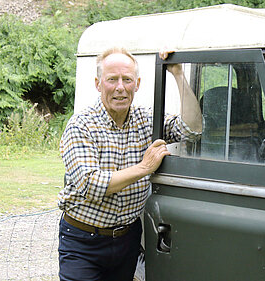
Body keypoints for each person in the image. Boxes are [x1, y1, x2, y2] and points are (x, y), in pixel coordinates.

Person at [57, 47, 202, 281]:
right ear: (98, 83)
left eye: (127, 80)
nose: (120, 88)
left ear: (137, 84)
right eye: (112, 79)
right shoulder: (81, 126)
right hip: (83, 240)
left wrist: (177, 73)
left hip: (127, 238)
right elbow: (91, 185)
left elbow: (192, 129)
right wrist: (145, 167)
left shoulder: (145, 119)